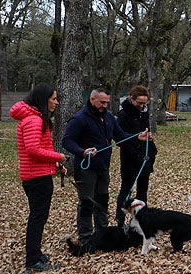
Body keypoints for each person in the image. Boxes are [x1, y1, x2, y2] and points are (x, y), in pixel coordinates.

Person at [63, 88, 149, 244]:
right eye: (101, 102)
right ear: (92, 100)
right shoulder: (79, 119)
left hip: (103, 167)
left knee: (102, 201)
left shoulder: (109, 118)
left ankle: (102, 234)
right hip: (86, 168)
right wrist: (82, 151)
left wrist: (137, 136)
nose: (104, 105)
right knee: (87, 202)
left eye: (107, 102)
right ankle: (86, 237)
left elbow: (120, 136)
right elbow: (67, 141)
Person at [10, 85, 68, 274]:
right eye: (53, 99)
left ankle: (35, 254)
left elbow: (40, 149)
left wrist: (55, 165)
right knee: (37, 218)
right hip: (36, 178)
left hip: (38, 175)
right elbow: (33, 150)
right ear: (44, 100)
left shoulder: (35, 119)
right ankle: (33, 259)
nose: (56, 102)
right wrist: (58, 157)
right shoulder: (34, 120)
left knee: (39, 217)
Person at [115, 85, 158, 226]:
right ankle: (119, 221)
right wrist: (135, 154)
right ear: (132, 99)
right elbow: (121, 140)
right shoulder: (123, 115)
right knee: (126, 190)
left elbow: (145, 131)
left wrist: (149, 138)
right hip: (130, 160)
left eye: (145, 103)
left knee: (143, 191)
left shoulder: (143, 113)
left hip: (145, 158)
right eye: (139, 102)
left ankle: (140, 221)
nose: (142, 105)